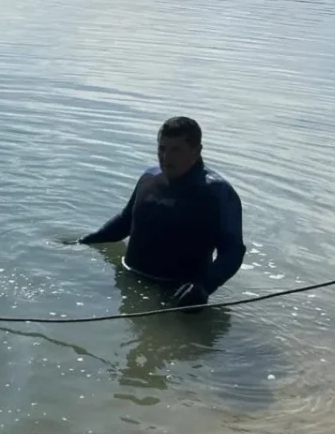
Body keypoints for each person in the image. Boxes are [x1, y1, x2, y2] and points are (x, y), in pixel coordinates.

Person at [76, 117, 246, 311]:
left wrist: (204, 287)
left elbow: (233, 252)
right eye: (162, 149)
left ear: (196, 151)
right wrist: (82, 242)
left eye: (175, 150)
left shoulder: (218, 193)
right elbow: (125, 221)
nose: (165, 157)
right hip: (130, 283)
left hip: (179, 297)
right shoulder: (149, 178)